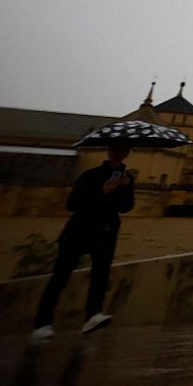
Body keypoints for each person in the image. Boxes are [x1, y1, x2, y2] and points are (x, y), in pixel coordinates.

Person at [30, 143, 135, 342]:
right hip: (79, 231)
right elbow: (73, 204)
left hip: (105, 233)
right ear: (109, 151)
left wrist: (125, 189)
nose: (120, 153)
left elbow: (125, 207)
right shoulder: (91, 175)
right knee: (60, 277)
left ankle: (93, 315)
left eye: (124, 150)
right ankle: (42, 324)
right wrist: (102, 192)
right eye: (117, 149)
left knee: (100, 275)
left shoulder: (127, 179)